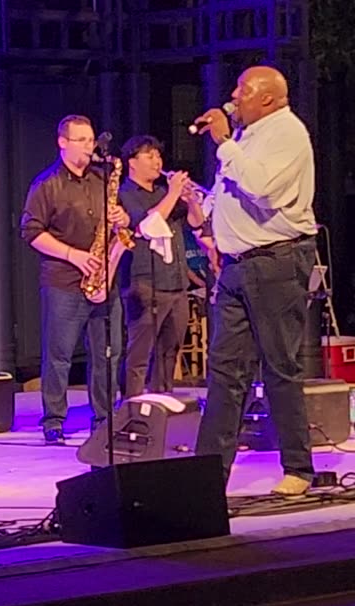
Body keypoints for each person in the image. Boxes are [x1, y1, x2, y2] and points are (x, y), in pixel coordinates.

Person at [191, 66, 319, 496]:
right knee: (225, 371)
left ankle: (298, 467)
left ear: (267, 98)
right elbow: (232, 193)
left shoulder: (287, 132)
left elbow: (263, 188)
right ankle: (208, 474)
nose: (233, 96)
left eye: (242, 90)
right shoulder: (247, 136)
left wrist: (225, 143)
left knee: (280, 366)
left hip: (276, 262)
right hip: (235, 266)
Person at [20, 115, 129, 445]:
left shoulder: (102, 179)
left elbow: (119, 225)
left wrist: (122, 219)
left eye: (91, 139)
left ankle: (105, 418)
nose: (89, 146)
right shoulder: (47, 183)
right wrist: (74, 255)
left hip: (103, 279)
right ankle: (54, 420)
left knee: (108, 353)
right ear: (62, 142)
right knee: (59, 354)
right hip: (64, 280)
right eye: (81, 139)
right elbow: (31, 233)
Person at [115, 135, 205, 396]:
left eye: (158, 156)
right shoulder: (125, 196)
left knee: (169, 352)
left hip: (176, 284)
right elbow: (147, 225)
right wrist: (175, 192)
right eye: (149, 156)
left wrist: (191, 200)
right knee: (140, 352)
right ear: (132, 162)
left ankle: (162, 403)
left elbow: (197, 224)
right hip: (145, 283)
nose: (158, 161)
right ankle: (132, 406)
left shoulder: (165, 194)